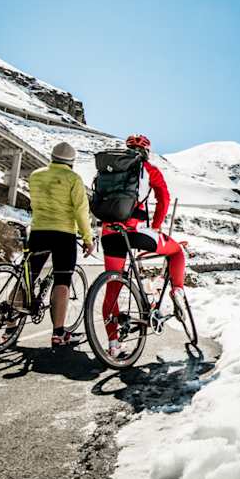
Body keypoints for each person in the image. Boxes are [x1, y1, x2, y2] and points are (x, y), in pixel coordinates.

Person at [100, 134, 187, 358]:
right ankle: (177, 290)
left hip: (110, 234)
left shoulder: (109, 169)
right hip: (135, 232)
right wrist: (156, 226)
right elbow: (164, 199)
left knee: (112, 287)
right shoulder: (149, 170)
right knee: (176, 251)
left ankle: (113, 344)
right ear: (146, 152)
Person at [15, 142, 95, 347]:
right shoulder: (73, 179)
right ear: (72, 162)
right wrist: (88, 238)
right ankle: (58, 333)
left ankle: (9, 324)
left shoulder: (36, 175)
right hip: (63, 234)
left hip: (39, 231)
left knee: (28, 276)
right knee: (62, 279)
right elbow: (80, 211)